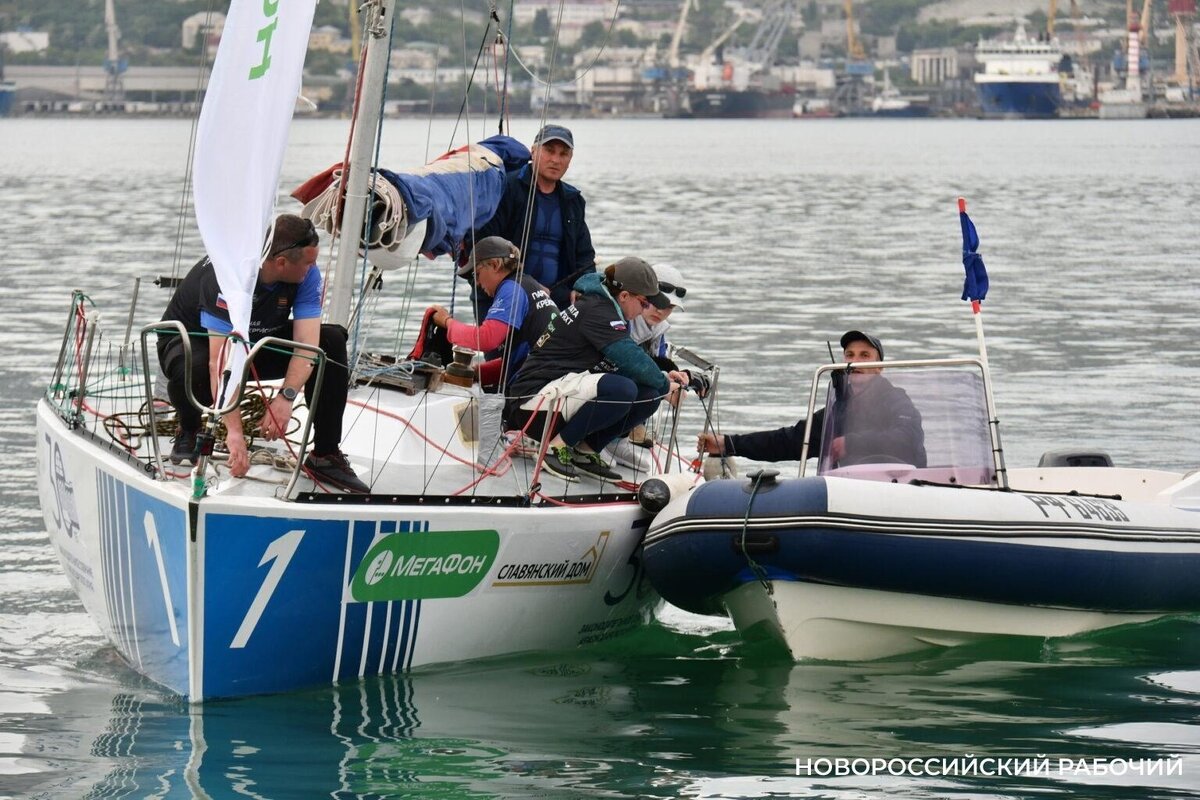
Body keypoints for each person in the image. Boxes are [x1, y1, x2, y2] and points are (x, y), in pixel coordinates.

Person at [157, 213, 369, 493]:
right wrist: (234, 433)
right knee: (195, 366)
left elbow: (308, 343)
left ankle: (325, 454)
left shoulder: (305, 275)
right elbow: (217, 364)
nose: (313, 268)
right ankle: (190, 428)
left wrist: (287, 395)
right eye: (308, 262)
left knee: (330, 341)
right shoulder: (227, 275)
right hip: (194, 342)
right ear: (281, 263)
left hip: (256, 339)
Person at [506, 257, 688, 482]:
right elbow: (630, 358)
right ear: (624, 296)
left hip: (559, 394)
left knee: (650, 395)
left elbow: (627, 366)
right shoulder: (599, 311)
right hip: (531, 405)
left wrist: (661, 379)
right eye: (643, 303)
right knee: (623, 389)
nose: (645, 310)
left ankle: (585, 450)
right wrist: (665, 385)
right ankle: (554, 449)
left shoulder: (607, 307)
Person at [698, 331, 926, 468]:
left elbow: (909, 436)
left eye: (864, 355)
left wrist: (852, 443)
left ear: (879, 368)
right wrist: (728, 443)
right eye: (850, 355)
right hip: (852, 489)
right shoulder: (840, 409)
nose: (855, 362)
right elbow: (792, 440)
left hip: (900, 489)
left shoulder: (896, 399)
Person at [475, 124, 595, 311]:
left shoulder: (573, 201)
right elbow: (484, 246)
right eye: (549, 151)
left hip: (556, 299)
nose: (555, 159)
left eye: (563, 154)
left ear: (570, 159)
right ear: (533, 151)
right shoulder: (507, 189)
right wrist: (529, 286)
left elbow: (585, 257)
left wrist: (583, 287)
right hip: (505, 294)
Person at [427, 236, 557, 391]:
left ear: (494, 265)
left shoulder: (511, 289)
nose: (477, 283)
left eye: (476, 274)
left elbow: (486, 338)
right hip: (552, 376)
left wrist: (447, 322)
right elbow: (518, 358)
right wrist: (476, 373)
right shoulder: (531, 285)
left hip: (540, 385)